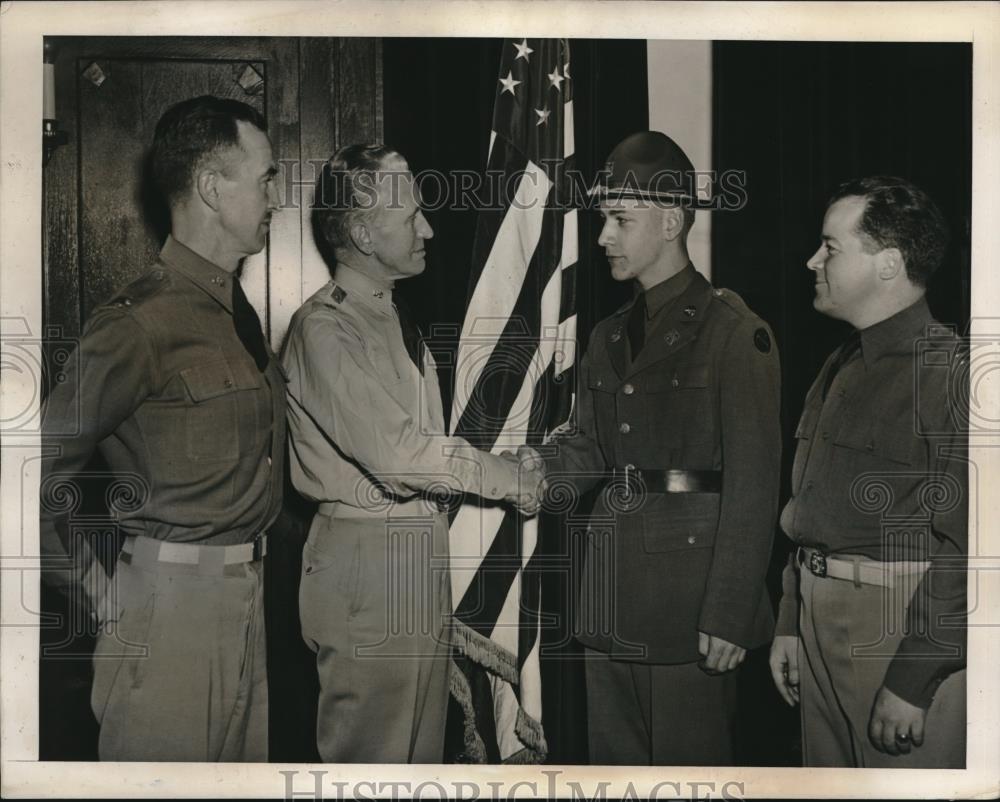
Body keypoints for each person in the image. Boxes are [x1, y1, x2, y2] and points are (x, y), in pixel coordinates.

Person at [39, 95, 285, 761]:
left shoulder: (234, 313)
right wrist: (100, 597)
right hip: (169, 611)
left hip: (248, 601)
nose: (276, 196)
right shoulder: (138, 322)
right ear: (212, 187)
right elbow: (28, 478)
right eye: (265, 177)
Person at [524, 130, 782, 765]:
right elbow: (587, 451)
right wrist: (520, 475)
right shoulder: (609, 335)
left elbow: (755, 483)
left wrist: (728, 612)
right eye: (603, 220)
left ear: (671, 221)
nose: (604, 236)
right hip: (611, 595)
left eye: (620, 220)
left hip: (691, 609)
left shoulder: (732, 332)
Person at [281, 143, 543, 764]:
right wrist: (506, 478)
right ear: (365, 233)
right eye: (411, 217)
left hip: (412, 557)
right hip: (370, 565)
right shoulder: (326, 328)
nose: (428, 228)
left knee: (418, 759)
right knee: (372, 764)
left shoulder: (389, 316)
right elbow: (399, 456)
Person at [768, 176, 967, 768]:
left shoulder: (951, 375)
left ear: (888, 265)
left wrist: (914, 678)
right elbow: (809, 507)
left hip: (895, 628)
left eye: (830, 247)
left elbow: (971, 548)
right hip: (817, 611)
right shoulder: (840, 362)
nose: (812, 261)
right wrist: (790, 620)